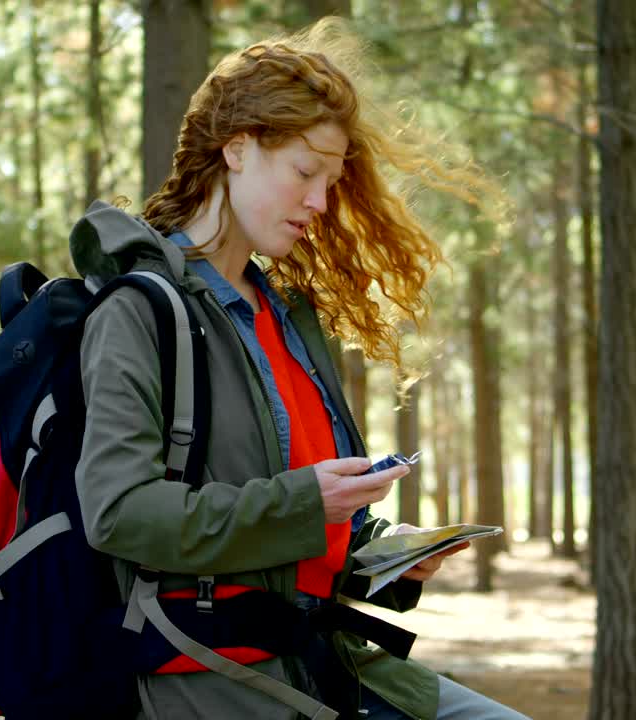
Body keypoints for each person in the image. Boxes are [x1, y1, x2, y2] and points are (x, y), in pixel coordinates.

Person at [70, 17, 525, 720]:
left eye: (331, 180)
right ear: (239, 148)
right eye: (306, 171)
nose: (319, 201)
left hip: (321, 659)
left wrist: (383, 551)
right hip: (208, 672)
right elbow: (119, 513)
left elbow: (299, 523)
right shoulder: (139, 314)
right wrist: (303, 504)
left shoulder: (288, 316)